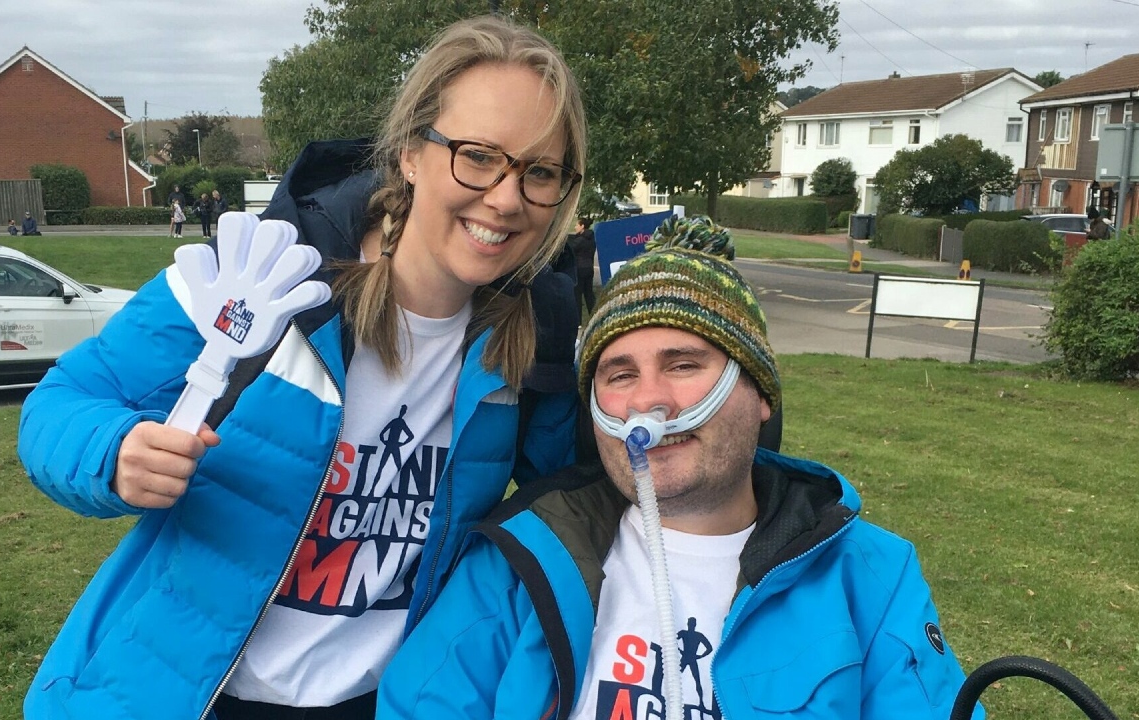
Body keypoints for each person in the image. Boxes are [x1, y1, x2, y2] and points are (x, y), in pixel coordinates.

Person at [17, 15, 587, 720]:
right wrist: (114, 452)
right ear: (411, 153)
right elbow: (67, 400)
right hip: (191, 694)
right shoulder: (260, 273)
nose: (505, 198)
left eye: (539, 172)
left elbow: (575, 503)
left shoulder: (536, 338)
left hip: (384, 701)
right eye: (477, 156)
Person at [378, 216, 982, 720]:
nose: (648, 402)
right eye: (620, 375)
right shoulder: (515, 563)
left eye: (684, 363)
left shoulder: (870, 577)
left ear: (760, 391)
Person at [566, 216, 596, 315]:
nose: (575, 227)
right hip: (589, 269)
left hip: (579, 270)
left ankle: (578, 321)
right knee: (589, 294)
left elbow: (569, 251)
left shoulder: (579, 241)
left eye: (577, 225)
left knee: (577, 295)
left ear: (582, 226)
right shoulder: (591, 239)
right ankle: (593, 314)